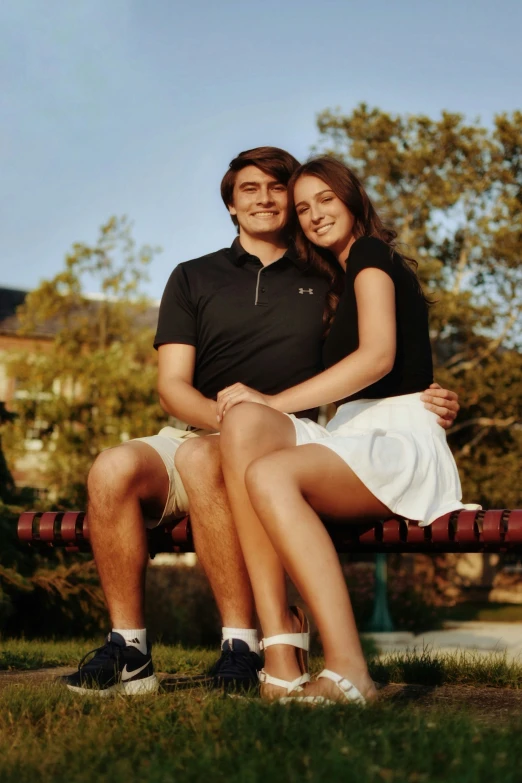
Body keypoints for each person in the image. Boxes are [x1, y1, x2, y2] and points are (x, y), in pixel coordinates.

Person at [64, 148, 459, 697]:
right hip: (214, 430)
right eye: (251, 189)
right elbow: (172, 386)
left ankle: (247, 646)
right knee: (112, 468)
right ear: (230, 204)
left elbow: (380, 352)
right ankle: (130, 648)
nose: (270, 200)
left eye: (284, 191)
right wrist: (231, 414)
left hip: (291, 433)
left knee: (225, 452)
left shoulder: (328, 272)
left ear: (348, 199)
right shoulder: (194, 275)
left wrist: (425, 394)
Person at [210, 156, 472, 704]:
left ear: (352, 199)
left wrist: (274, 400)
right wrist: (262, 407)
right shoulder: (340, 276)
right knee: (244, 425)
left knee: (271, 471)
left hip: (396, 441)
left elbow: (378, 358)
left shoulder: (373, 255)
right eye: (303, 208)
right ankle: (281, 653)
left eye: (325, 199)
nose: (313, 214)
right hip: (350, 435)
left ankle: (351, 670)